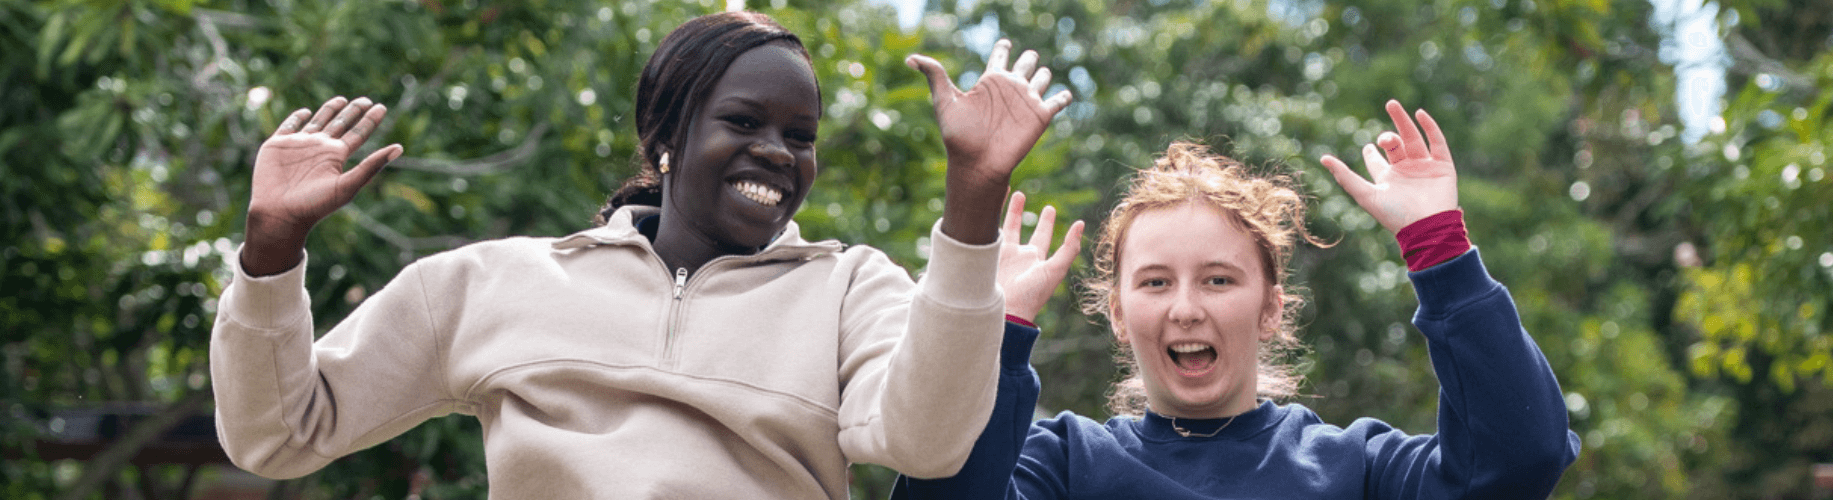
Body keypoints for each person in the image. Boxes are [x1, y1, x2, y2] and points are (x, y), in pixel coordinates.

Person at [210, 11, 1073, 499]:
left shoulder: (850, 288)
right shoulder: (490, 284)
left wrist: (974, 198)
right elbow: (276, 434)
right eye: (743, 123)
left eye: (799, 136)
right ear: (665, 135)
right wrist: (272, 250)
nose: (777, 151)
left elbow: (925, 444)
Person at [893, 100, 1581, 499]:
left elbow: (1519, 462)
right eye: (1155, 282)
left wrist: (1442, 251)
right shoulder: (1066, 463)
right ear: (1118, 315)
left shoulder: (1356, 467)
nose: (1185, 308)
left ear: (1271, 308)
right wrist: (999, 334)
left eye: (1219, 280)